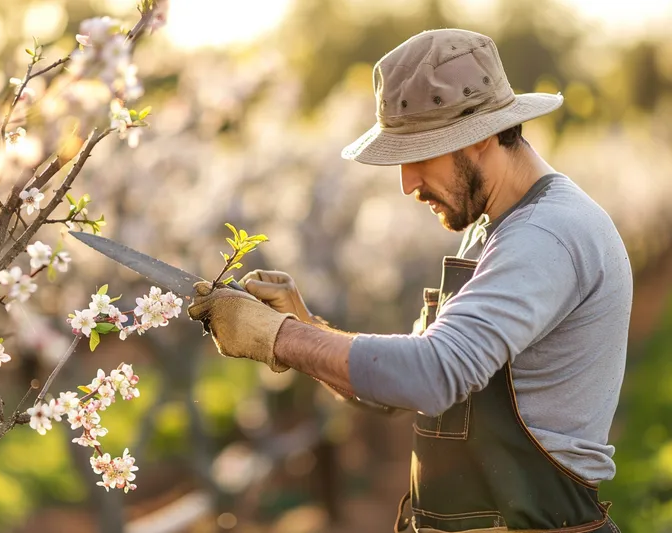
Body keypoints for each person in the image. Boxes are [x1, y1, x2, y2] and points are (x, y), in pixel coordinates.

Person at [187, 28, 631, 532]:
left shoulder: (545, 235)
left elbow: (432, 374)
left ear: (481, 135)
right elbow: (402, 385)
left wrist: (282, 340)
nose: (407, 183)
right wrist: (302, 321)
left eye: (420, 154)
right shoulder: (496, 229)